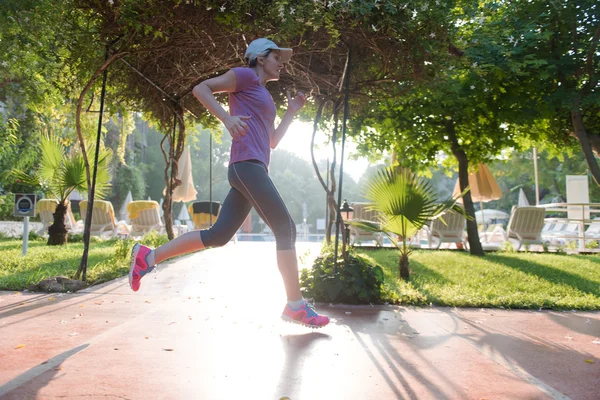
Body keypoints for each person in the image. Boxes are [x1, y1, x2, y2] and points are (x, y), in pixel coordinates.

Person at [128, 38, 329, 328]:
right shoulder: (246, 76)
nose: (281, 62)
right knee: (285, 228)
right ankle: (295, 305)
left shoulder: (264, 94)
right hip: (246, 167)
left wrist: (291, 112)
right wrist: (226, 118)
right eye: (276, 57)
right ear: (261, 58)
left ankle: (149, 256)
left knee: (219, 236)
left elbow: (271, 141)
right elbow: (201, 89)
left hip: (253, 167)